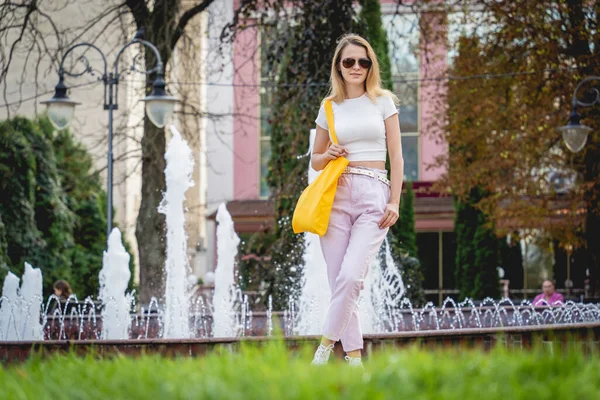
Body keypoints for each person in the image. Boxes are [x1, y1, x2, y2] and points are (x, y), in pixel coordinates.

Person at [310, 34, 403, 367]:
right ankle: (354, 360)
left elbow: (397, 155)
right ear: (339, 65)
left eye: (363, 62)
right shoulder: (329, 107)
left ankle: (323, 348)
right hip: (335, 194)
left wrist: (394, 201)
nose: (356, 67)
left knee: (352, 276)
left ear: (370, 66)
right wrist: (328, 153)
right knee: (340, 281)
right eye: (349, 61)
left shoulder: (382, 102)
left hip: (373, 192)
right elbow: (315, 160)